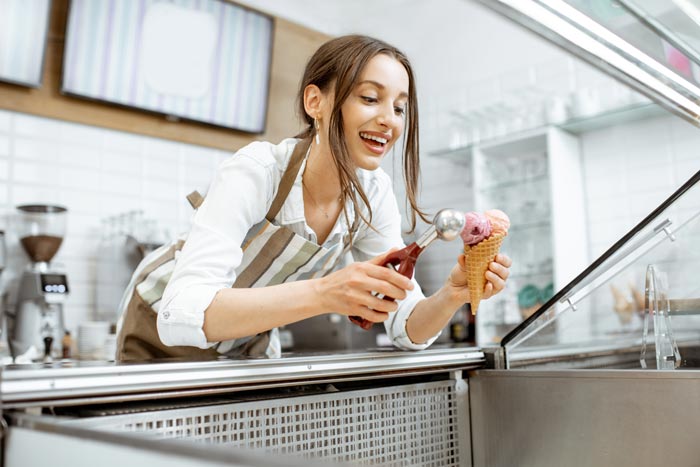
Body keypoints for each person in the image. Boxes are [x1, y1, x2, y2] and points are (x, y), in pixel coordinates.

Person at [115, 34, 512, 361]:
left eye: (400, 107)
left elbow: (405, 326)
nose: (390, 119)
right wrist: (325, 293)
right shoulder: (258, 171)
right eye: (370, 98)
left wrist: (453, 294)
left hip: (244, 341)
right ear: (314, 102)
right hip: (156, 331)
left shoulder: (373, 195)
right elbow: (179, 312)